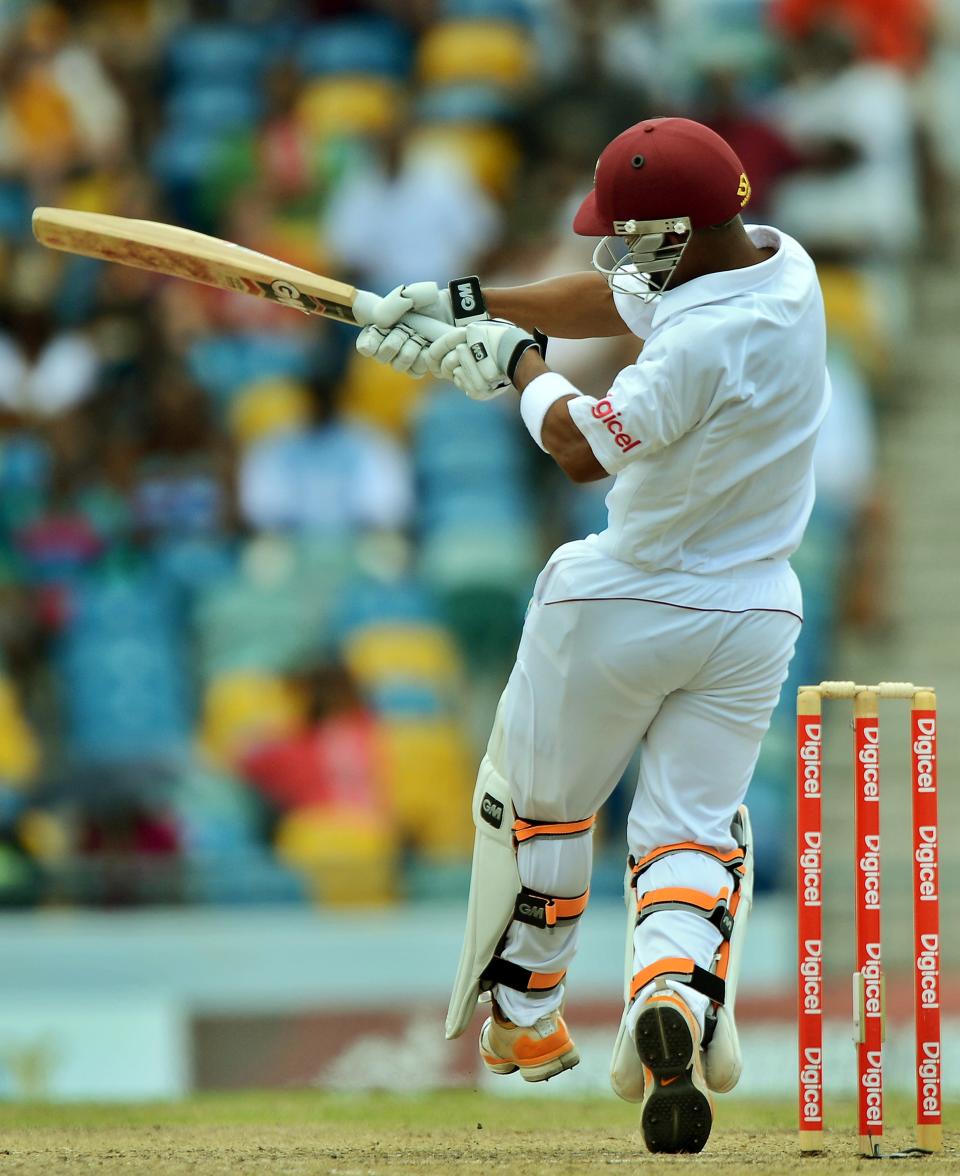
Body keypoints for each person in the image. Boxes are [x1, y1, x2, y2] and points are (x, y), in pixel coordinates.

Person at [353, 116, 829, 1154]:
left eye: (625, 230)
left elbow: (576, 449)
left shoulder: (701, 346)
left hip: (625, 597)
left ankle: (527, 1020)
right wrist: (471, 302)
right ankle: (673, 996)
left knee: (543, 812)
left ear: (668, 234)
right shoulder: (785, 268)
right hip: (754, 612)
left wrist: (515, 369)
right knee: (692, 831)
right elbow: (612, 297)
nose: (611, 249)